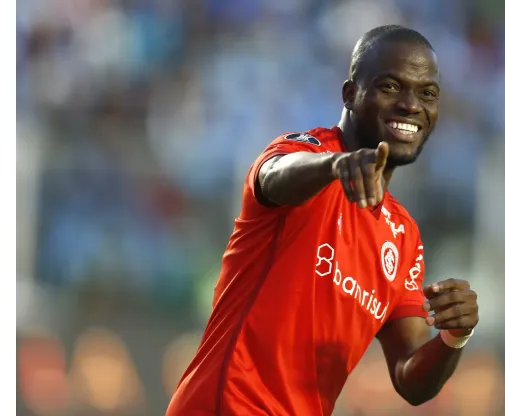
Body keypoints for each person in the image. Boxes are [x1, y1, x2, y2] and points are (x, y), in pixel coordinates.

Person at [166, 25, 480, 416]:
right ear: (350, 94)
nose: (411, 105)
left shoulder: (403, 237)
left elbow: (410, 377)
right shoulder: (307, 155)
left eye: (427, 93)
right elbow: (272, 176)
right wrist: (334, 166)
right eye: (390, 87)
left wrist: (454, 336)